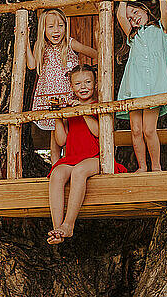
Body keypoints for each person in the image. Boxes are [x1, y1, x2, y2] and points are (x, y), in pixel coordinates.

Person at [47, 64, 127, 245]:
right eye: (77, 84)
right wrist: (59, 117)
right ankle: (57, 228)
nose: (83, 87)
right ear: (71, 87)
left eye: (88, 82)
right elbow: (61, 140)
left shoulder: (99, 105)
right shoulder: (69, 107)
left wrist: (82, 112)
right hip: (73, 157)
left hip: (97, 157)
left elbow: (99, 132)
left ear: (95, 83)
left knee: (79, 172)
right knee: (57, 173)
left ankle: (69, 224)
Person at [116, 0, 167, 172]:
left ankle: (156, 166)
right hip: (135, 87)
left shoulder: (160, 29)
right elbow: (121, 17)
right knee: (136, 130)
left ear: (145, 10)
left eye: (136, 12)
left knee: (148, 130)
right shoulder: (133, 36)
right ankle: (142, 167)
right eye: (130, 18)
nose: (133, 18)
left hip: (154, 87)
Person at [26, 9, 97, 164]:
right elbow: (31, 65)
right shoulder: (41, 45)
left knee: (69, 130)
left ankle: (71, 160)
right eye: (51, 26)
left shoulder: (70, 43)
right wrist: (24, 40)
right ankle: (56, 163)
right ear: (43, 29)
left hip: (68, 94)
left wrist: (89, 71)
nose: (56, 30)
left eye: (60, 25)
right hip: (50, 95)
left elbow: (94, 53)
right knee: (55, 131)